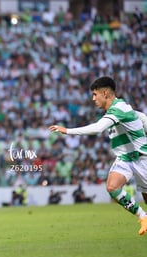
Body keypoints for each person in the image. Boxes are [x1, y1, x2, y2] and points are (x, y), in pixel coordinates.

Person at [49, 76, 147, 235]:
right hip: (125, 158)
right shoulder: (118, 110)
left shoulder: (119, 109)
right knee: (112, 187)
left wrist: (67, 131)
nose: (93, 99)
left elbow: (98, 128)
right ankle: (143, 217)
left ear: (106, 93)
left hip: (142, 158)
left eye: (95, 94)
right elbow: (141, 117)